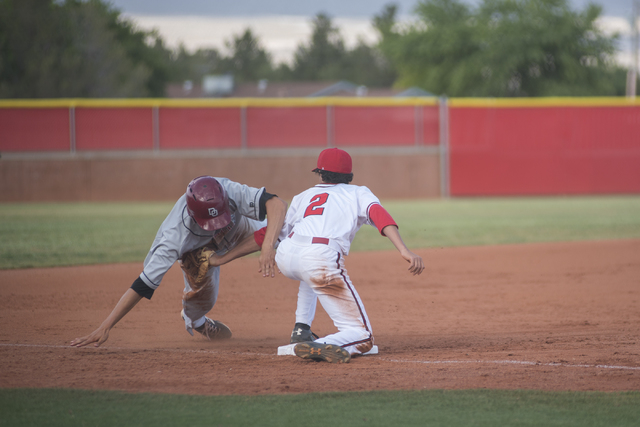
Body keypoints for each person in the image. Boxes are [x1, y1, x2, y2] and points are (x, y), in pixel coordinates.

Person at [70, 176, 286, 348]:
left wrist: (265, 246)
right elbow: (142, 285)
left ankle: (302, 324)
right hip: (201, 249)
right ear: (192, 215)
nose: (216, 225)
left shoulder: (227, 189)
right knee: (205, 301)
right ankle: (197, 321)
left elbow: (277, 204)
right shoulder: (173, 238)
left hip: (238, 227)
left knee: (282, 232)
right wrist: (105, 326)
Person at [275, 148, 424, 363]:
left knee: (308, 273)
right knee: (363, 336)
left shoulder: (303, 195)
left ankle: (301, 330)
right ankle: (320, 346)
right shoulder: (357, 192)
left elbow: (281, 231)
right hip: (318, 258)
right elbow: (379, 215)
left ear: (320, 173)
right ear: (349, 174)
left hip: (286, 254)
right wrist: (403, 249)